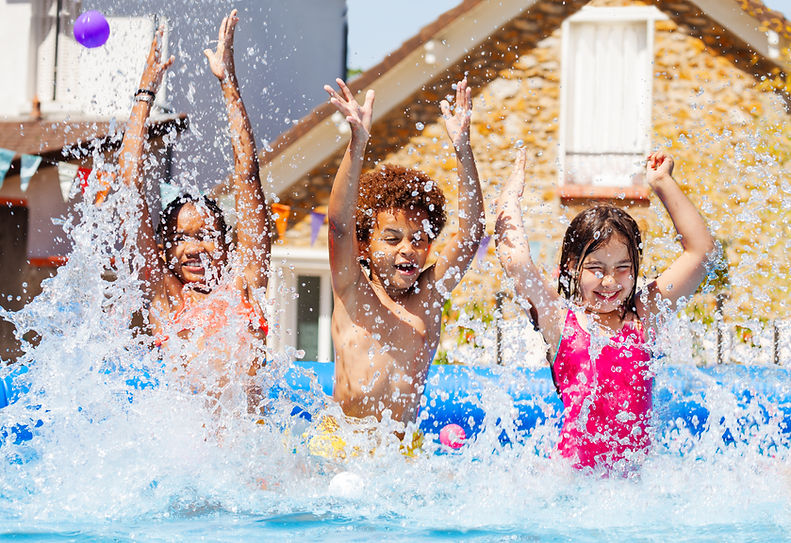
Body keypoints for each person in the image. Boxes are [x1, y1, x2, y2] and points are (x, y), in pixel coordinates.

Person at [496, 149, 715, 472]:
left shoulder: (644, 316)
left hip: (634, 487)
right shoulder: (561, 321)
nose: (611, 282)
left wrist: (662, 183)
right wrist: (510, 196)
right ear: (572, 267)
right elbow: (515, 261)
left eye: (623, 267)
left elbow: (702, 253)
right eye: (596, 268)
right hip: (574, 484)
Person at [118, 11, 270, 406]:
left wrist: (228, 83)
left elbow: (247, 175)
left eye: (204, 235)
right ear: (166, 251)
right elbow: (128, 189)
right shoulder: (165, 298)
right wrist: (144, 96)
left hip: (249, 453)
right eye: (181, 238)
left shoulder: (246, 283)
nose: (193, 248)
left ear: (225, 242)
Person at [322, 77, 484, 439]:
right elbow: (338, 226)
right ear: (365, 245)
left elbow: (472, 234)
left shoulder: (429, 296)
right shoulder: (351, 289)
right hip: (341, 445)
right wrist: (357, 145)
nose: (407, 248)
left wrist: (463, 149)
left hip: (399, 453)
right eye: (392, 238)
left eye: (419, 239)